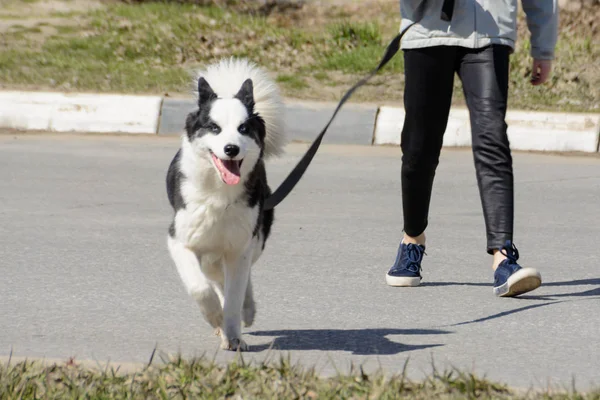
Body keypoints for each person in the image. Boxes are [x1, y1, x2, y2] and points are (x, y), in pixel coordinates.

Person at [385, 0, 558, 297]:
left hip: (489, 34)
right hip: (428, 29)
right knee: (419, 147)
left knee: (493, 139)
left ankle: (504, 257)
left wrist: (543, 48)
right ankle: (412, 240)